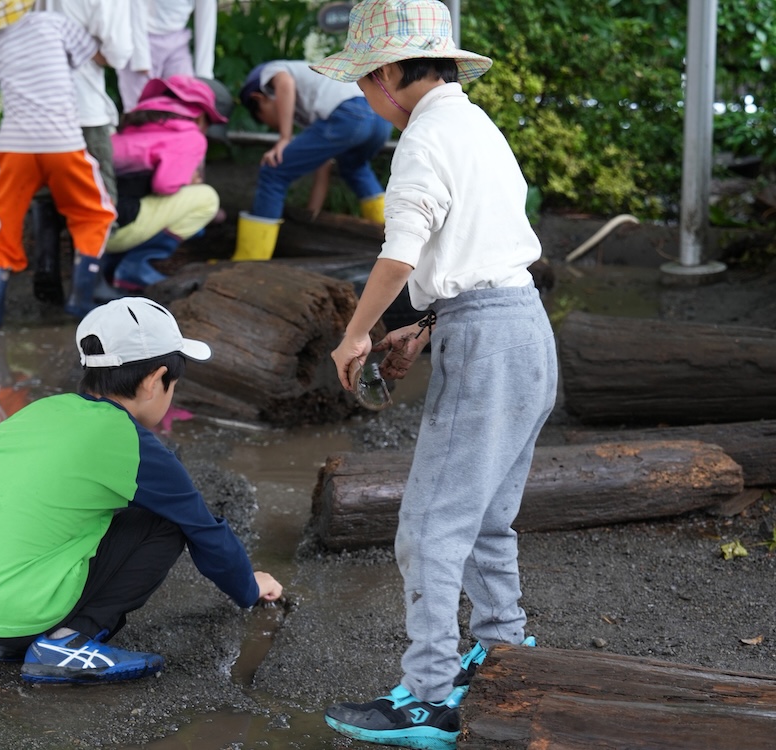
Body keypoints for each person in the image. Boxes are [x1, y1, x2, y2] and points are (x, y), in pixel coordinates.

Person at [311, 0, 558, 747]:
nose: (363, 95)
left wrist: (356, 335)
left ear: (388, 73)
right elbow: (481, 244)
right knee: (484, 514)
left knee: (428, 527)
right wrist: (419, 325)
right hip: (523, 328)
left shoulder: (423, 138)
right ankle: (503, 648)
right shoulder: (476, 126)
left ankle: (426, 697)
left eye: (362, 80)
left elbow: (402, 250)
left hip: (488, 342)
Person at [0, 296, 283, 684]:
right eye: (172, 385)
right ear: (152, 381)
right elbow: (203, 529)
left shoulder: (35, 412)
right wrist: (249, 586)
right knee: (165, 521)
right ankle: (66, 641)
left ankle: (9, 640)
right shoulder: (129, 442)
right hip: (19, 611)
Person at [0, 0, 118, 328]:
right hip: (63, 142)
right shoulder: (52, 23)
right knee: (93, 212)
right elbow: (91, 55)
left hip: (17, 146)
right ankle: (81, 297)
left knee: (3, 220)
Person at [28, 0, 133, 306]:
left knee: (48, 190)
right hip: (83, 107)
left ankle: (47, 267)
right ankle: (88, 286)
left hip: (39, 102)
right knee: (98, 198)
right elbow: (118, 53)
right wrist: (88, 48)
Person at [234, 60, 392, 262]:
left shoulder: (271, 71)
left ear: (259, 97)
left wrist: (284, 137)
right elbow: (322, 166)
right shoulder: (316, 95)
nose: (270, 125)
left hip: (351, 114)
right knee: (355, 169)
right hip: (379, 118)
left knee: (274, 172)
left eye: (264, 117)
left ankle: (249, 261)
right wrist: (311, 216)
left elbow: (284, 83)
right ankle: (390, 242)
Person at [98, 75, 227, 297]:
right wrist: (189, 181)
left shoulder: (128, 129)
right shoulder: (190, 136)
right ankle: (134, 266)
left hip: (92, 230)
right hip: (121, 229)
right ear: (200, 117)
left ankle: (113, 266)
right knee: (207, 198)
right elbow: (164, 185)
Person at [118, 0, 217, 113]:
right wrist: (141, 58)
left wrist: (204, 76)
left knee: (185, 103)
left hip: (178, 41)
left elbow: (206, 17)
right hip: (139, 36)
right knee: (139, 110)